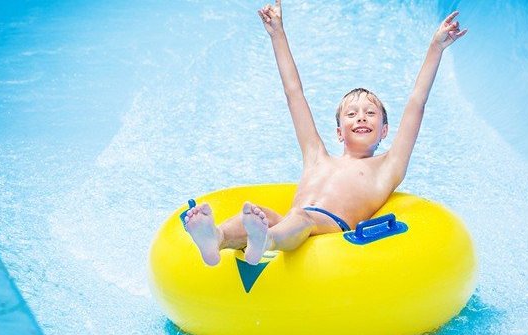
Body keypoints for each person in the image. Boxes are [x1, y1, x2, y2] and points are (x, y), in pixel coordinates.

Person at [184, 0, 467, 266]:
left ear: (384, 131)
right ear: (339, 132)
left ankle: (265, 239)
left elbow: (416, 103)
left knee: (299, 216)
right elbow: (294, 93)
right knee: (264, 213)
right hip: (293, 227)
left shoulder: (388, 167)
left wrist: (435, 48)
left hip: (326, 229)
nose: (361, 118)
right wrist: (277, 34)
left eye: (370, 113)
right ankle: (216, 238)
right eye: (351, 114)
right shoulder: (316, 156)